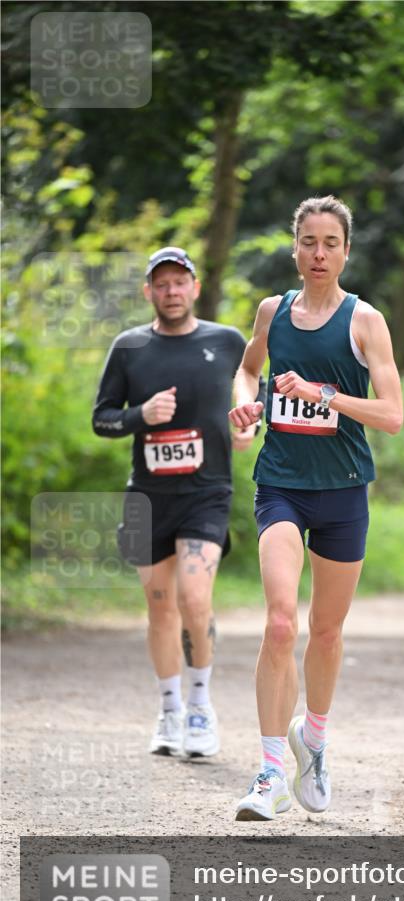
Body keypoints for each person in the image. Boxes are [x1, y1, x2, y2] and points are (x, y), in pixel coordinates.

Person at [229, 195, 403, 821]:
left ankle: (315, 741)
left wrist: (327, 396)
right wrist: (246, 408)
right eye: (309, 242)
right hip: (281, 484)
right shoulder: (272, 312)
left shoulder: (365, 322)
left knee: (325, 631)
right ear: (294, 246)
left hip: (344, 490)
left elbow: (392, 415)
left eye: (331, 242)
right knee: (280, 622)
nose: (319, 253)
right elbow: (247, 373)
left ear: (346, 250)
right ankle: (271, 770)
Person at [93, 246, 263, 756]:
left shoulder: (227, 341)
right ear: (149, 291)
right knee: (160, 607)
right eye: (161, 284)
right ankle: (169, 709)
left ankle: (200, 707)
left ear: (193, 286)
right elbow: (102, 418)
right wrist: (140, 414)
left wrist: (248, 423)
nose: (171, 292)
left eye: (179, 282)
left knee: (194, 597)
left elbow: (251, 390)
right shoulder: (128, 348)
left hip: (206, 493)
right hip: (148, 498)